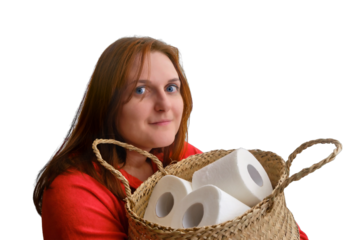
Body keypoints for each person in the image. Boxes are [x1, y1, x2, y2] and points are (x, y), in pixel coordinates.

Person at [32, 35, 309, 239]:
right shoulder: (75, 191)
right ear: (108, 104)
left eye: (171, 87)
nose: (164, 104)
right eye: (141, 90)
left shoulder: (182, 157)